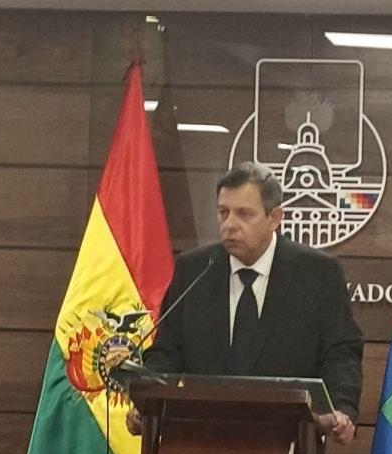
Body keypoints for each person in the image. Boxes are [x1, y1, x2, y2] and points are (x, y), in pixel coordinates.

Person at [126, 161, 362, 438]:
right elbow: (167, 353)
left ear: (275, 218)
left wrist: (340, 408)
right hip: (201, 439)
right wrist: (146, 405)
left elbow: (340, 352)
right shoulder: (194, 270)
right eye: (223, 213)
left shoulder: (317, 273)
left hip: (287, 440)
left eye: (244, 214)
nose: (229, 225)